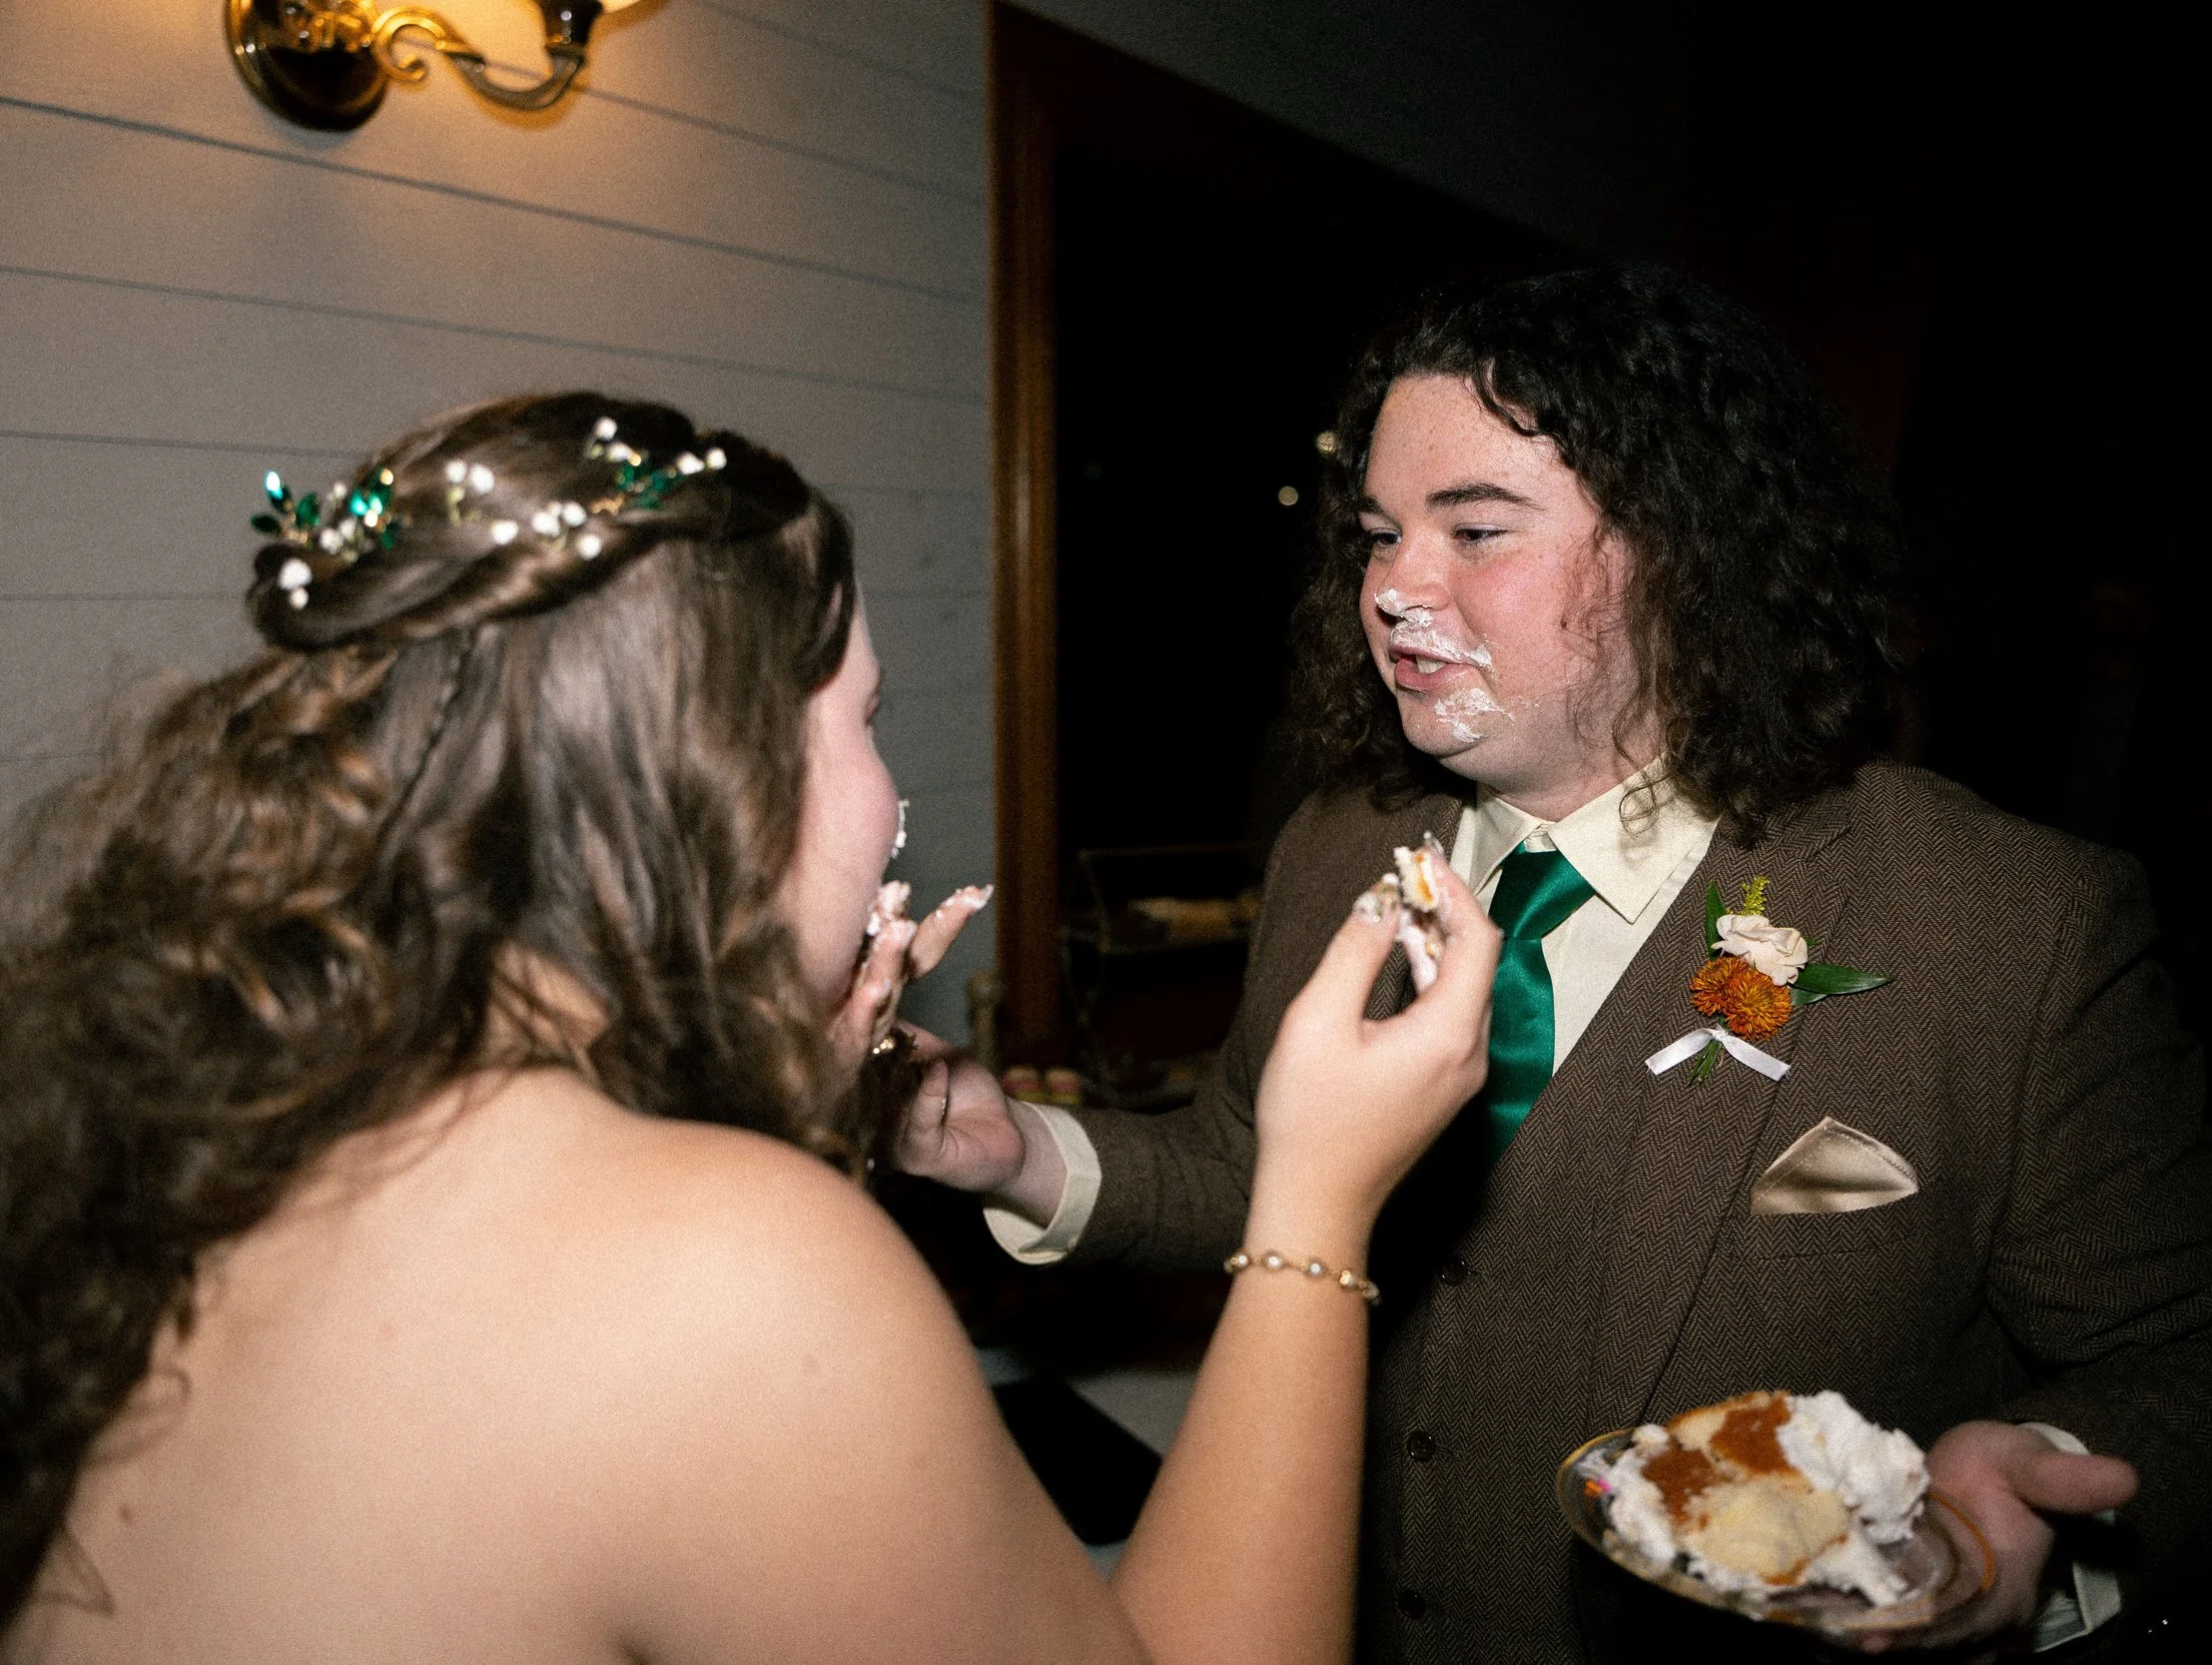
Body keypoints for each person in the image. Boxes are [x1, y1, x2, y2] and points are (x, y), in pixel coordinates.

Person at [895, 267, 2212, 1659]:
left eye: (1475, 529)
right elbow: (1250, 1170)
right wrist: (1012, 1148)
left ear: (1686, 551)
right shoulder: (1339, 847)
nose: (1396, 588)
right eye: (1376, 533)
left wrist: (2030, 1492)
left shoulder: (2001, 924)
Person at [0, 392, 1501, 1663]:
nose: (884, 794)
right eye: (863, 719)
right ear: (711, 771)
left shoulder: (234, 1112)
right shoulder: (723, 1266)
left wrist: (785, 1135)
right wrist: (1319, 1197)